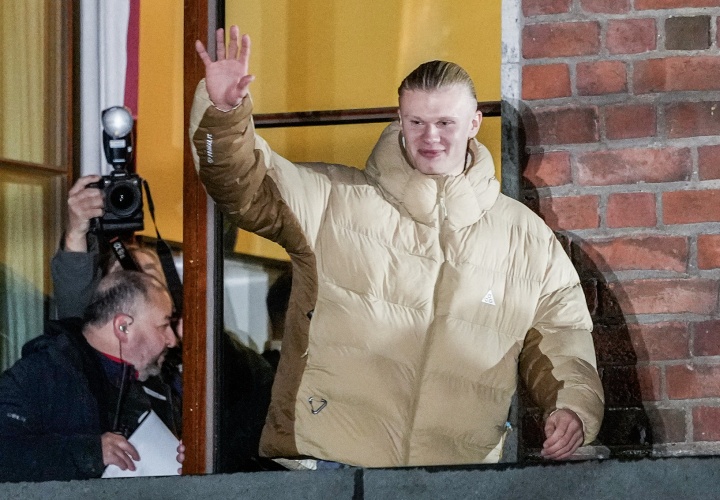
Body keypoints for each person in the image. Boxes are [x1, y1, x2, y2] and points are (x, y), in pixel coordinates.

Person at [189, 26, 604, 467]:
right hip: (328, 467)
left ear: (474, 123)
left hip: (454, 480)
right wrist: (224, 113)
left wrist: (573, 410)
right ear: (399, 119)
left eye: (445, 123)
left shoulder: (525, 237)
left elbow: (563, 336)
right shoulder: (333, 199)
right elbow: (245, 188)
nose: (431, 137)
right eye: (416, 122)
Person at [50, 175, 279, 473]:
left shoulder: (192, 343)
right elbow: (77, 316)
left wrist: (204, 342)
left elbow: (258, 392)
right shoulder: (98, 357)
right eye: (129, 276)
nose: (143, 283)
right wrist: (76, 233)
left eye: (151, 273)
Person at [0, 271, 183, 482]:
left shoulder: (159, 384)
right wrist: (89, 453)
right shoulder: (41, 375)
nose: (172, 340)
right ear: (123, 327)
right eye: (164, 326)